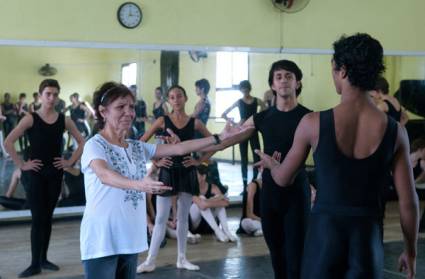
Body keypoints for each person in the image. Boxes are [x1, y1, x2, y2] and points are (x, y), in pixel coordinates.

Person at [255, 33, 419, 279]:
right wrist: (410, 252)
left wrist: (271, 164)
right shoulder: (397, 132)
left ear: (342, 71)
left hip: (323, 242)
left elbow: (282, 179)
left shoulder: (312, 123)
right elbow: (409, 203)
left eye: (333, 69)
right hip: (367, 242)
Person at [80, 82, 244, 279]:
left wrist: (219, 137)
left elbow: (180, 149)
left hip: (130, 238)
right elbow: (104, 175)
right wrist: (140, 184)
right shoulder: (94, 145)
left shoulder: (136, 147)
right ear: (103, 112)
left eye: (131, 107)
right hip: (102, 239)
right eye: (120, 107)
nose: (128, 112)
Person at [203, 60, 312, 279]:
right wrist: (202, 156)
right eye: (278, 76)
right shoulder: (262, 117)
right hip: (270, 191)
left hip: (296, 192)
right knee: (277, 255)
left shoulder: (309, 117)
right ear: (272, 84)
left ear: (297, 82)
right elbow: (227, 140)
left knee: (296, 256)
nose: (283, 80)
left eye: (289, 76)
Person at [4, 79, 85, 278]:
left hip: (54, 173)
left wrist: (70, 162)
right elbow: (8, 142)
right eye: (48, 94)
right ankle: (34, 263)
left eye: (55, 94)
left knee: (47, 218)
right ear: (40, 95)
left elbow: (82, 142)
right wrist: (22, 165)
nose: (52, 98)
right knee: (38, 218)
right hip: (35, 174)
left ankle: (44, 259)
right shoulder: (30, 118)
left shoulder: (63, 119)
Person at [137, 85, 219, 274]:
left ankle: (182, 258)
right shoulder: (162, 120)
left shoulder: (195, 122)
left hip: (187, 171)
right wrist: (156, 161)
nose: (176, 99)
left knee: (182, 218)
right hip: (168, 171)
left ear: (185, 98)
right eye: (172, 97)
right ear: (169, 100)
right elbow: (140, 143)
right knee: (161, 218)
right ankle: (150, 260)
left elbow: (215, 142)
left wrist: (199, 161)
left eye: (179, 96)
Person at [221, 80, 265, 188]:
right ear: (241, 90)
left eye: (246, 89)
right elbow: (224, 114)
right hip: (242, 133)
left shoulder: (257, 101)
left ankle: (255, 182)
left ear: (249, 89)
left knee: (257, 157)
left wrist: (258, 119)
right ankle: (245, 184)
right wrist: (235, 124)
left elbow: (265, 111)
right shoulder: (239, 102)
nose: (244, 91)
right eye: (242, 89)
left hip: (253, 131)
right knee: (244, 158)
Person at [190, 163, 236, 242]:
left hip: (208, 225)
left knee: (215, 201)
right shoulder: (191, 188)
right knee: (202, 198)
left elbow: (226, 203)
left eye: (196, 175)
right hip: (194, 224)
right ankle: (218, 232)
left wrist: (209, 201)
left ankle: (226, 231)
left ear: (203, 177)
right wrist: (215, 199)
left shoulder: (213, 187)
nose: (193, 177)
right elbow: (202, 205)